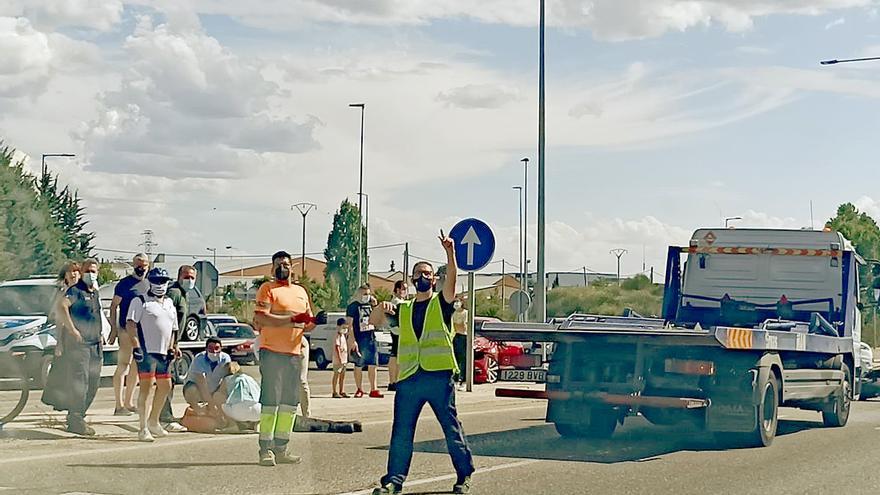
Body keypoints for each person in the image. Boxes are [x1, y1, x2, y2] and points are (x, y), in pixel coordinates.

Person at [371, 233, 475, 495]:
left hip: (438, 377)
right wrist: (381, 307)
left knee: (450, 428)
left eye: (427, 273)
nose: (422, 277)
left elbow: (452, 280)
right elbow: (375, 321)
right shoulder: (403, 309)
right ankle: (393, 480)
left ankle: (464, 475)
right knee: (402, 432)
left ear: (434, 279)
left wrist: (450, 254)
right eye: (418, 273)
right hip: (409, 378)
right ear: (412, 279)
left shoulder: (442, 303)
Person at [253, 250, 324, 467]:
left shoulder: (301, 292)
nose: (282, 267)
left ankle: (281, 446)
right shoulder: (267, 289)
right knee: (270, 402)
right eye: (277, 264)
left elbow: (307, 322)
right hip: (272, 352)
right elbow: (262, 318)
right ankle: (265, 448)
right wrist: (292, 318)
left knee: (289, 404)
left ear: (292, 267)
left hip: (294, 354)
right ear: (272, 269)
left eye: (285, 264)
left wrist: (315, 321)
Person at [127, 267, 180, 442]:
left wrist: (173, 346)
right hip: (146, 351)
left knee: (165, 386)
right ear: (149, 281)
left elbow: (173, 328)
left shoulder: (170, 303)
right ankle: (142, 427)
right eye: (156, 281)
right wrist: (136, 347)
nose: (160, 285)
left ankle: (154, 421)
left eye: (163, 281)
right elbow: (131, 324)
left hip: (164, 352)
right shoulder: (140, 301)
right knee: (146, 388)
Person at [54, 259, 104, 436]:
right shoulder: (75, 291)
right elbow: (62, 307)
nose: (91, 274)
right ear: (82, 273)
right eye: (88, 271)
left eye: (94, 271)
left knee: (94, 381)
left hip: (95, 344)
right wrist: (72, 329)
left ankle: (79, 415)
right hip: (80, 346)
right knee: (80, 382)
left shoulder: (95, 292)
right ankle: (75, 419)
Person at [109, 253, 150, 416]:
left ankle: (129, 402)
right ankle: (119, 405)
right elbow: (113, 306)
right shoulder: (124, 284)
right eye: (138, 265)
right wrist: (113, 328)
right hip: (126, 330)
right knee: (123, 365)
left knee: (136, 367)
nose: (141, 268)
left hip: (143, 332)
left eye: (144, 265)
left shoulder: (149, 284)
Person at [158, 265, 197, 432]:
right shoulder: (174, 293)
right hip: (165, 345)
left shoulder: (183, 294)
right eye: (186, 276)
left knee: (168, 381)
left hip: (172, 344)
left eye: (192, 277)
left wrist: (176, 343)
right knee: (167, 381)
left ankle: (162, 415)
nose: (189, 280)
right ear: (180, 276)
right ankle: (164, 417)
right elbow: (168, 319)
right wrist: (170, 344)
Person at [347, 284, 383, 398]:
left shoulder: (370, 305)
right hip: (359, 338)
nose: (366, 296)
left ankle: (374, 388)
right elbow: (350, 325)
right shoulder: (353, 307)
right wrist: (352, 340)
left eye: (368, 294)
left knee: (373, 364)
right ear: (359, 294)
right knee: (359, 364)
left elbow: (378, 319)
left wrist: (375, 305)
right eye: (364, 294)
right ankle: (359, 388)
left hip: (370, 338)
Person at [183, 337, 232, 411]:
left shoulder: (226, 359)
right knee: (191, 390)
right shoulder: (199, 359)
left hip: (214, 389)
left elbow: (226, 379)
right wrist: (211, 403)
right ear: (206, 349)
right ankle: (197, 410)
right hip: (198, 388)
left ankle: (221, 413)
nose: (214, 351)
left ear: (221, 348)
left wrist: (219, 395)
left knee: (224, 391)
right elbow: (201, 382)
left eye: (217, 348)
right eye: (210, 348)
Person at [50, 261, 81, 355]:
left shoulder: (86, 291)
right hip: (69, 336)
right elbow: (59, 320)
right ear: (65, 276)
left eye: (75, 271)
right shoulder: (62, 293)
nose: (73, 274)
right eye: (69, 271)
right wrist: (59, 342)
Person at [387, 281, 407, 391]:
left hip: (397, 331)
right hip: (398, 331)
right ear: (398, 290)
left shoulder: (400, 301)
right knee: (396, 356)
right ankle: (394, 381)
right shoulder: (397, 302)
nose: (405, 291)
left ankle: (394, 381)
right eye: (403, 289)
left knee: (396, 355)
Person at [451, 296, 468, 391]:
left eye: (458, 301)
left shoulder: (465, 313)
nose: (456, 303)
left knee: (463, 360)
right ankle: (456, 379)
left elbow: (463, 327)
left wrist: (458, 325)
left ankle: (464, 380)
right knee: (455, 359)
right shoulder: (453, 313)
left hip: (464, 337)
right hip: (455, 336)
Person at [332, 318, 349, 398]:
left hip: (344, 359)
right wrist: (340, 358)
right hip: (338, 360)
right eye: (343, 327)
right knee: (337, 375)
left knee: (342, 376)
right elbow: (337, 347)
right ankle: (334, 391)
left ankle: (341, 390)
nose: (345, 329)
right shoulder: (337, 335)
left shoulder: (343, 336)